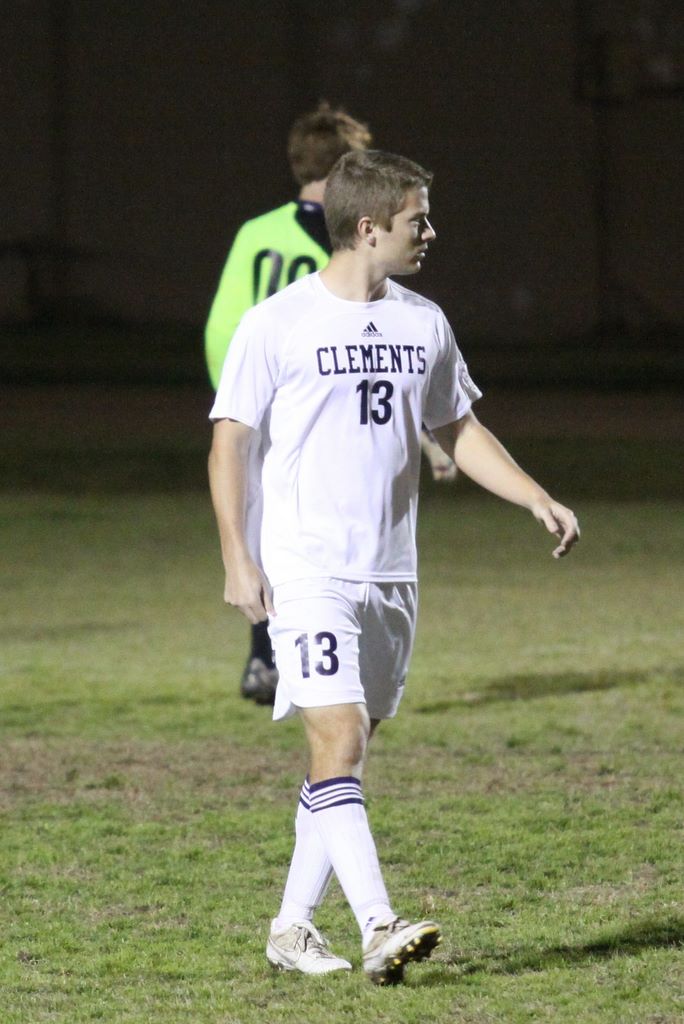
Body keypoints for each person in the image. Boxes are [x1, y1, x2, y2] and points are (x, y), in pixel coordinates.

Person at [207, 150, 579, 984]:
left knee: (344, 754)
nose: (431, 233)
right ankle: (380, 925)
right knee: (337, 737)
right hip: (307, 566)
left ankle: (291, 928)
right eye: (419, 219)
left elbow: (459, 428)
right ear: (370, 227)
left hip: (391, 571)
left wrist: (534, 496)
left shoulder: (424, 322)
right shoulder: (278, 323)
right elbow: (229, 442)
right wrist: (237, 555)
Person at [205, 105, 457, 707]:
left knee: (267, 536)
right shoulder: (343, 239)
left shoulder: (257, 232)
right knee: (291, 547)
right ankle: (285, 658)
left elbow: (220, 328)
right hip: (298, 413)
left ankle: (268, 658)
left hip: (274, 409)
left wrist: (234, 398)